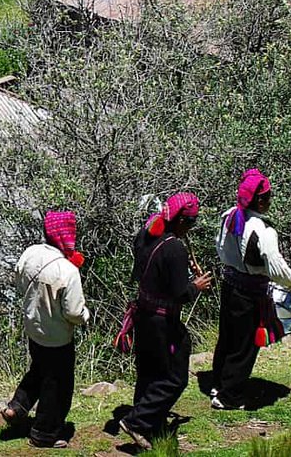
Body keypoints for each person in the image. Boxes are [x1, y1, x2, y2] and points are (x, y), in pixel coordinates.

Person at [122, 193, 211, 450]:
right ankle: (138, 422)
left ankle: (151, 423)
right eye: (191, 222)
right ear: (181, 220)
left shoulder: (147, 233)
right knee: (175, 376)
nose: (191, 228)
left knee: (150, 372)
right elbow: (180, 294)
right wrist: (196, 285)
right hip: (162, 320)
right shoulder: (174, 249)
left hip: (144, 315)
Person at [210, 168, 291, 411]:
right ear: (259, 200)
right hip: (250, 291)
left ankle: (218, 382)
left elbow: (219, 247)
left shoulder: (228, 216)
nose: (270, 201)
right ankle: (229, 396)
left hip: (230, 284)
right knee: (245, 344)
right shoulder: (262, 230)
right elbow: (275, 266)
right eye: (268, 197)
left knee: (228, 337)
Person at [3, 211, 89, 448]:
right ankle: (44, 434)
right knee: (58, 384)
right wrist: (86, 316)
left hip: (34, 327)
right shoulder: (67, 270)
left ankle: (16, 407)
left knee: (39, 369)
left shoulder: (31, 253)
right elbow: (73, 312)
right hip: (58, 336)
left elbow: (19, 280)